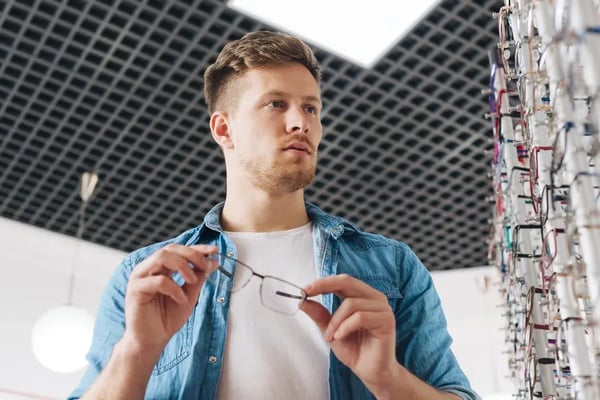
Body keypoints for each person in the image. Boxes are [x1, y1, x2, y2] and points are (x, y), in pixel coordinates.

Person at [69, 31, 479, 400]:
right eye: (276, 104)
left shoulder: (392, 267)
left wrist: (388, 379)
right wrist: (137, 352)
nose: (301, 123)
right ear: (223, 129)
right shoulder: (145, 276)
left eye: (312, 109)